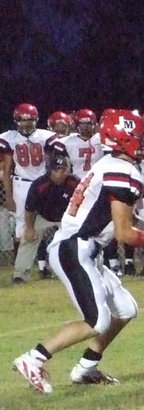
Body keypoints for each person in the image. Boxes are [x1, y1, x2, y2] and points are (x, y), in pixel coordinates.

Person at [11, 111, 144, 393]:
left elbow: (125, 221)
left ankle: (86, 367)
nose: (143, 142)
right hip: (75, 247)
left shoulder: (112, 165)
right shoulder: (122, 170)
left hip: (84, 248)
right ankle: (33, 359)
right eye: (138, 137)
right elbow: (124, 233)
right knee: (97, 320)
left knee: (126, 309)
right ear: (123, 139)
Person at [2, 103, 57, 284]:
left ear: (36, 120)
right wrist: (9, 196)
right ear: (17, 120)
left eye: (30, 120)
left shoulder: (45, 137)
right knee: (23, 227)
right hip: (22, 185)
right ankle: (22, 269)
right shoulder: (9, 138)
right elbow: (8, 169)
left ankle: (49, 265)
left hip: (43, 185)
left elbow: (51, 164)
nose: (26, 124)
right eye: (23, 120)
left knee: (53, 223)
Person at [14, 153, 79, 282]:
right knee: (28, 239)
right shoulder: (39, 184)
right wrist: (30, 228)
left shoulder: (74, 182)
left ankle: (80, 270)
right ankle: (19, 274)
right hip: (44, 216)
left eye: (63, 169)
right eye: (57, 170)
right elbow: (29, 210)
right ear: (50, 171)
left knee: (81, 240)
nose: (61, 173)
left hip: (68, 217)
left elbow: (84, 202)